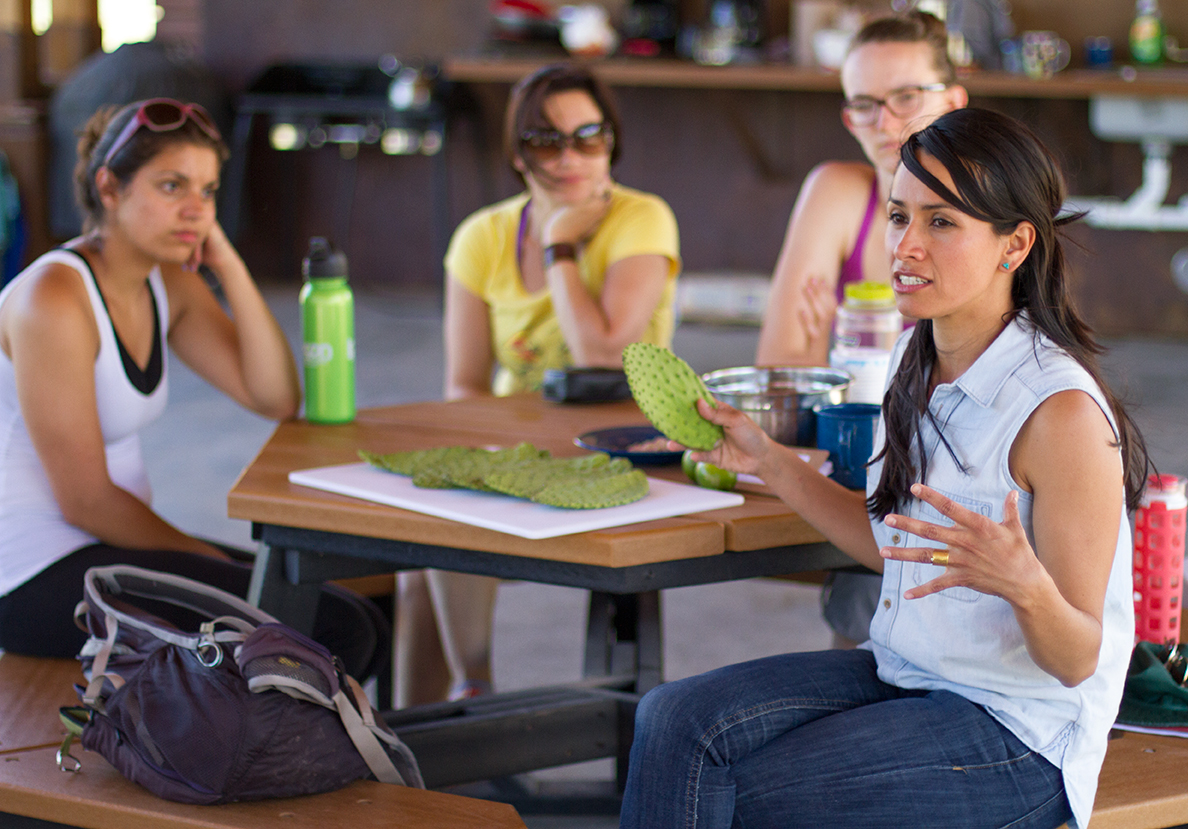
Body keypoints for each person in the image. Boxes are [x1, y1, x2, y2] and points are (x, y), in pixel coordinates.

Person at [620, 108, 1150, 829]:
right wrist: (767, 459)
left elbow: (1078, 657)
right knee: (672, 719)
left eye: (941, 223)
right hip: (906, 673)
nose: (905, 244)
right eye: (899, 216)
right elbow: (888, 541)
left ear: (1014, 244)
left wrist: (1025, 586)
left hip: (1018, 733)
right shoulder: (912, 357)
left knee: (738, 793)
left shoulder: (1059, 415)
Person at [0, 99, 385, 679]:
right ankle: (251, 766)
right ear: (110, 187)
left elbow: (274, 396)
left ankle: (364, 762)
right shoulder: (53, 298)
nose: (195, 210)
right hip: (32, 576)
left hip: (107, 549)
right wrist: (197, 558)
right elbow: (83, 499)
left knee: (363, 600)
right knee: (332, 627)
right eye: (172, 185)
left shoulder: (167, 285)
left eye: (208, 191)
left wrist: (226, 262)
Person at [394, 64, 680, 705]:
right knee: (419, 559)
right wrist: (501, 456)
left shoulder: (642, 218)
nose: (573, 156)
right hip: (520, 448)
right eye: (548, 141)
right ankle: (443, 733)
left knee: (430, 555)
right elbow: (464, 385)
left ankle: (468, 709)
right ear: (518, 154)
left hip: (623, 450)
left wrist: (560, 247)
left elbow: (603, 353)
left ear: (612, 140)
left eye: (589, 136)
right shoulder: (482, 236)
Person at [757, 11, 968, 649]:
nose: (887, 121)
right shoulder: (837, 190)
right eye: (865, 104)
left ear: (954, 102)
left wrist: (846, 364)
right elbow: (780, 380)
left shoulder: (990, 204)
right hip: (866, 468)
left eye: (906, 96)